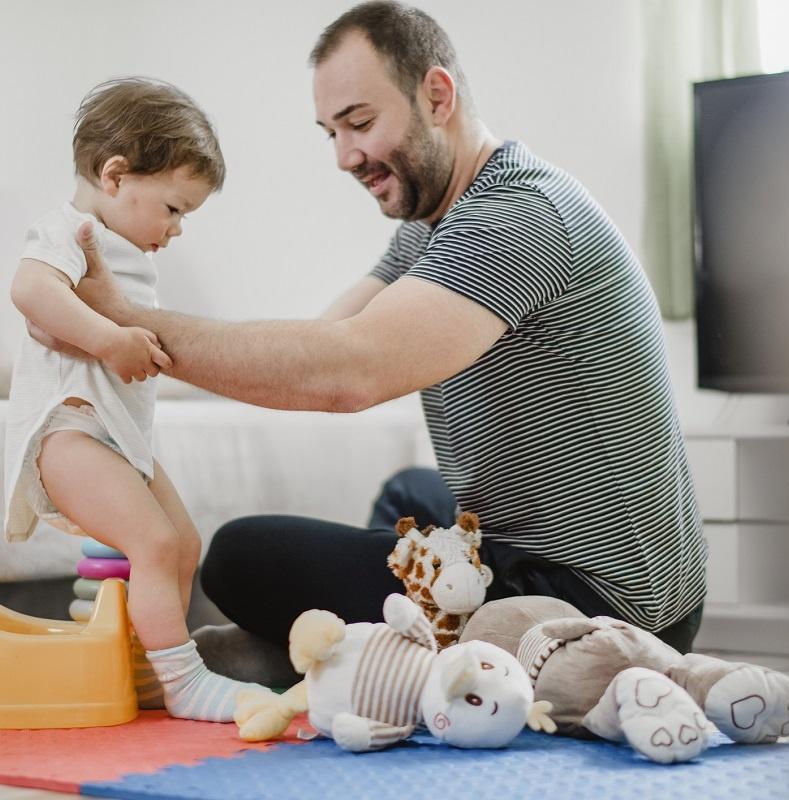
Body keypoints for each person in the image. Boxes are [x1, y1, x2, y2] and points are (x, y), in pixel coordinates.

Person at [41, 1, 707, 679]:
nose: (344, 156)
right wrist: (109, 337)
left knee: (242, 556)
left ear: (437, 96)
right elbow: (331, 332)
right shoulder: (433, 223)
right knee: (407, 496)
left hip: (604, 602)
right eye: (330, 132)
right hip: (557, 555)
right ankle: (365, 648)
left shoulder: (516, 216)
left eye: (359, 123)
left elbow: (345, 372)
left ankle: (348, 657)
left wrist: (118, 319)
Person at [4, 76, 266, 721]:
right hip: (67, 435)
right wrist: (109, 338)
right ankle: (186, 682)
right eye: (174, 209)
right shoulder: (69, 230)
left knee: (182, 541)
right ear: (116, 176)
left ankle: (150, 671)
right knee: (151, 543)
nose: (177, 230)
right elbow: (30, 292)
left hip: (119, 439)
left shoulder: (124, 246)